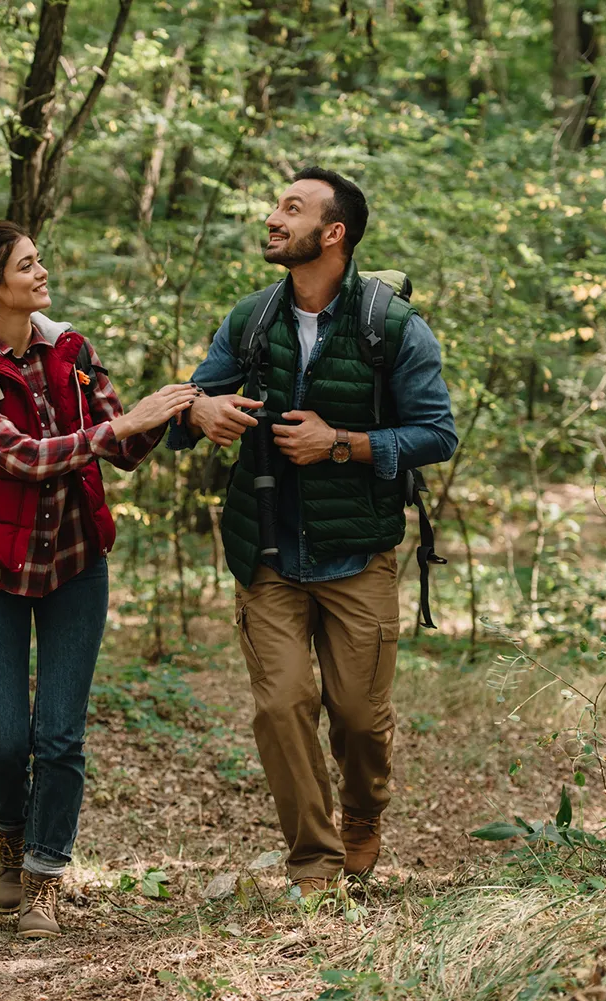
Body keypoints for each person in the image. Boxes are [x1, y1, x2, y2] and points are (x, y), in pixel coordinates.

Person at [168, 168, 457, 899]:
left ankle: (363, 812)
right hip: (265, 550)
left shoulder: (391, 326)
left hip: (357, 551)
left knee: (360, 718)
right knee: (280, 702)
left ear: (334, 233)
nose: (272, 218)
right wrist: (199, 412)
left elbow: (436, 432)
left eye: (290, 209)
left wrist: (342, 443)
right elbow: (190, 399)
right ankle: (314, 861)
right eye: (274, 205)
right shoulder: (252, 319)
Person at [0, 220, 199, 938]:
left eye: (40, 259)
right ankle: (12, 850)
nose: (42, 272)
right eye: (26, 265)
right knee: (2, 739)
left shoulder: (72, 351)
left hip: (77, 563)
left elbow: (124, 443)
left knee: (60, 734)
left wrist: (184, 407)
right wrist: (117, 430)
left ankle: (45, 878)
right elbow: (19, 455)